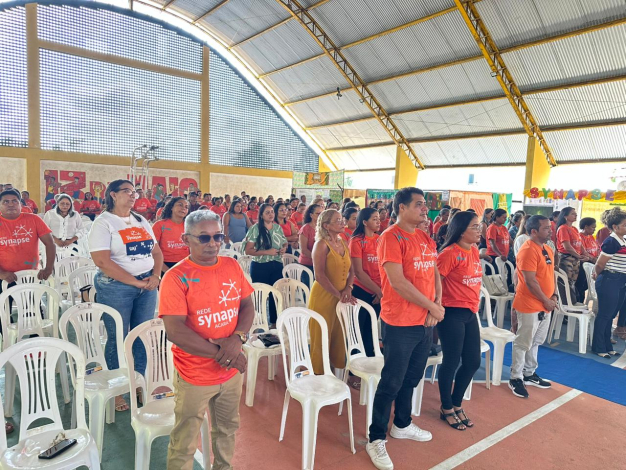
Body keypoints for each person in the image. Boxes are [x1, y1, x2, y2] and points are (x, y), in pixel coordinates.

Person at [160, 210, 254, 469]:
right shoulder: (176, 277)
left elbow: (247, 305)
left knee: (227, 430)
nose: (213, 244)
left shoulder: (231, 266)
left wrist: (238, 339)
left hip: (229, 373)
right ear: (186, 239)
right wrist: (228, 355)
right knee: (184, 442)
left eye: (218, 237)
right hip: (194, 374)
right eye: (204, 238)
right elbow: (175, 331)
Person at [366, 188, 443, 470]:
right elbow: (398, 282)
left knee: (412, 378)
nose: (424, 209)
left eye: (425, 204)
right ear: (401, 207)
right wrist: (432, 307)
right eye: (419, 204)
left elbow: (434, 272)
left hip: (424, 321)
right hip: (400, 322)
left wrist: (436, 305)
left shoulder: (424, 237)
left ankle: (402, 424)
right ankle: (376, 437)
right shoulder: (391, 237)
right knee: (391, 382)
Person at [89, 180, 163, 411]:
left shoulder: (141, 220)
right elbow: (102, 261)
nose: (133, 195)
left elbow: (156, 252)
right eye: (127, 191)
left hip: (146, 284)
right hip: (116, 287)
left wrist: (155, 275)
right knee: (118, 336)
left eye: (134, 192)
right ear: (113, 195)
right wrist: (136, 282)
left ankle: (138, 381)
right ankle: (117, 389)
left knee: (141, 335)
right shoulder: (103, 223)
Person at [0, 188, 55, 435]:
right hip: (4, 277)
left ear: (22, 204)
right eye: (6, 201)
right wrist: (2, 273)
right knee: (4, 320)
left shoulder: (32, 219)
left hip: (30, 276)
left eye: (15, 201)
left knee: (33, 316)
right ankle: (7, 350)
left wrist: (48, 267)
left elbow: (49, 243)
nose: (11, 204)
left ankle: (35, 353)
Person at [436, 211, 483, 430]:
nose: (479, 230)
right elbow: (434, 282)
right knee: (451, 361)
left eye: (479, 226)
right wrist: (435, 308)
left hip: (470, 312)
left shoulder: (473, 250)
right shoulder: (449, 253)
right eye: (474, 227)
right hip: (451, 313)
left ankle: (456, 402)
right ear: (461, 231)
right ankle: (446, 407)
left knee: (473, 361)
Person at [508, 215, 555, 399]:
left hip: (545, 303)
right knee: (523, 342)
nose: (550, 231)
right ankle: (516, 377)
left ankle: (529, 372)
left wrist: (554, 295)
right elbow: (530, 281)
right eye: (546, 228)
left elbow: (550, 275)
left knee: (536, 341)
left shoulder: (546, 249)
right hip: (530, 303)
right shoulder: (528, 250)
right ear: (534, 231)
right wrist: (546, 299)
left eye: (550, 227)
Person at [308, 209, 356, 375]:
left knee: (338, 335)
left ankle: (336, 374)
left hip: (341, 296)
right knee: (321, 336)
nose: (342, 223)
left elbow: (352, 270)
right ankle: (318, 376)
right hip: (323, 297)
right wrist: (339, 294)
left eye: (342, 219)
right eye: (337, 220)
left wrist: (348, 288)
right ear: (326, 226)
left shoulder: (343, 242)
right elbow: (319, 275)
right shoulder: (321, 245)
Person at [243, 203, 288, 327]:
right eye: (267, 212)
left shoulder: (277, 228)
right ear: (261, 215)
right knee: (261, 296)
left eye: (272, 212)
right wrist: (267, 252)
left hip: (276, 265)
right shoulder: (255, 229)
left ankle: (274, 322)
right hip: (260, 266)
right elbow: (248, 250)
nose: (270, 214)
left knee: (275, 294)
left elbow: (284, 242)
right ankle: (260, 324)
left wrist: (284, 248)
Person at [591, 208, 626, 358]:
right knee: (604, 315)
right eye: (624, 225)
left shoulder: (622, 240)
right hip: (609, 280)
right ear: (615, 227)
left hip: (620, 281)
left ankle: (607, 346)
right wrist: (597, 275)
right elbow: (600, 264)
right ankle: (598, 347)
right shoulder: (611, 241)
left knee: (611, 315)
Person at [349, 208, 382, 357]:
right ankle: (355, 363)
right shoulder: (357, 241)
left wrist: (380, 290)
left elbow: (385, 268)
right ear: (364, 222)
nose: (378, 221)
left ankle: (370, 358)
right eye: (374, 219)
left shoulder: (380, 239)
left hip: (378, 291)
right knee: (359, 329)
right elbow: (359, 272)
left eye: (378, 218)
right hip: (362, 290)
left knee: (371, 328)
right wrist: (379, 292)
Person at [556, 207, 591, 301]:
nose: (575, 215)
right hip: (566, 258)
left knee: (572, 281)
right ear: (565, 216)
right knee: (565, 281)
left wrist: (585, 254)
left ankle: (571, 301)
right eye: (572, 214)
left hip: (575, 258)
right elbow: (567, 246)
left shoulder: (574, 229)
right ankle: (565, 302)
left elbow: (580, 244)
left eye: (575, 214)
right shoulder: (563, 228)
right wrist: (579, 256)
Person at [153, 197, 190, 274]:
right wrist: (169, 271)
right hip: (164, 265)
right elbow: (153, 251)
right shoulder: (159, 225)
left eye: (186, 207)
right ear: (171, 207)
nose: (183, 208)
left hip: (186, 264)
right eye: (180, 205)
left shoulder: (190, 226)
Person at [576, 217, 600, 302]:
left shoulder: (591, 237)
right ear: (586, 227)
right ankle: (578, 302)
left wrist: (597, 257)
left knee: (588, 285)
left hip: (592, 263)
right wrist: (592, 258)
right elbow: (583, 252)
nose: (594, 229)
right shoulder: (579, 237)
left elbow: (596, 249)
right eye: (593, 227)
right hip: (584, 264)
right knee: (581, 286)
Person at [298, 204, 323, 276]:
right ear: (311, 215)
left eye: (321, 214)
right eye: (318, 214)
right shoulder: (305, 229)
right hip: (307, 264)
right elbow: (304, 250)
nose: (320, 216)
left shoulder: (323, 228)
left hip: (321, 263)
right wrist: (316, 259)